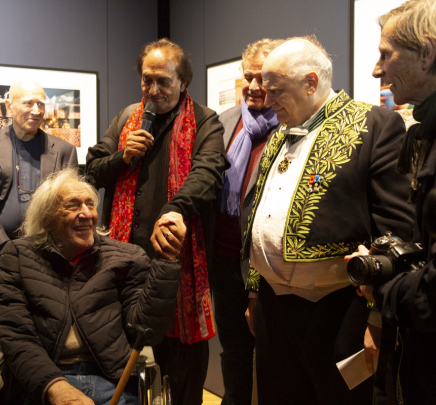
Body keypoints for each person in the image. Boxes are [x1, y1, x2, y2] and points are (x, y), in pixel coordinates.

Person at [242, 36, 414, 405]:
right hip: (274, 309)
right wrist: (255, 289)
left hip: (340, 311)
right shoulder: (279, 133)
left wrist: (379, 316)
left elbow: (396, 229)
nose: (267, 102)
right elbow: (259, 211)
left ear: (310, 81)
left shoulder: (376, 124)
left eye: (276, 91)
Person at [86, 38, 227, 404]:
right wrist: (122, 156)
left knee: (180, 367)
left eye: (163, 81)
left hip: (177, 265)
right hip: (124, 261)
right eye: (147, 80)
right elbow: (91, 173)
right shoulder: (125, 118)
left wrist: (176, 208)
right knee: (126, 362)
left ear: (183, 81)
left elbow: (208, 174)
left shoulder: (205, 120)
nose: (153, 90)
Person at [0, 168, 184, 405]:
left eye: (90, 205)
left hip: (112, 382)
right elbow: (15, 335)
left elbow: (145, 330)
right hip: (42, 384)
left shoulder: (126, 256)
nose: (86, 213)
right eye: (73, 205)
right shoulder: (18, 256)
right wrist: (55, 388)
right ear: (47, 219)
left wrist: (167, 261)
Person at [348, 1, 436, 403]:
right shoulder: (423, 133)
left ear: (427, 54)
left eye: (386, 54)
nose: (376, 70)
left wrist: (384, 290)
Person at [0, 79, 78, 354]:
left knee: (45, 328)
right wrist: (4, 248)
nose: (36, 110)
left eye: (41, 103)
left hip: (47, 255)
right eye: (28, 103)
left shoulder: (64, 151)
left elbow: (70, 204)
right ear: (9, 106)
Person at [212, 38, 282, 405]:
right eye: (248, 76)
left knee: (271, 353)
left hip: (266, 264)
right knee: (233, 350)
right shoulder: (224, 123)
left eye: (264, 78)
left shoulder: (289, 126)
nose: (254, 86)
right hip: (223, 260)